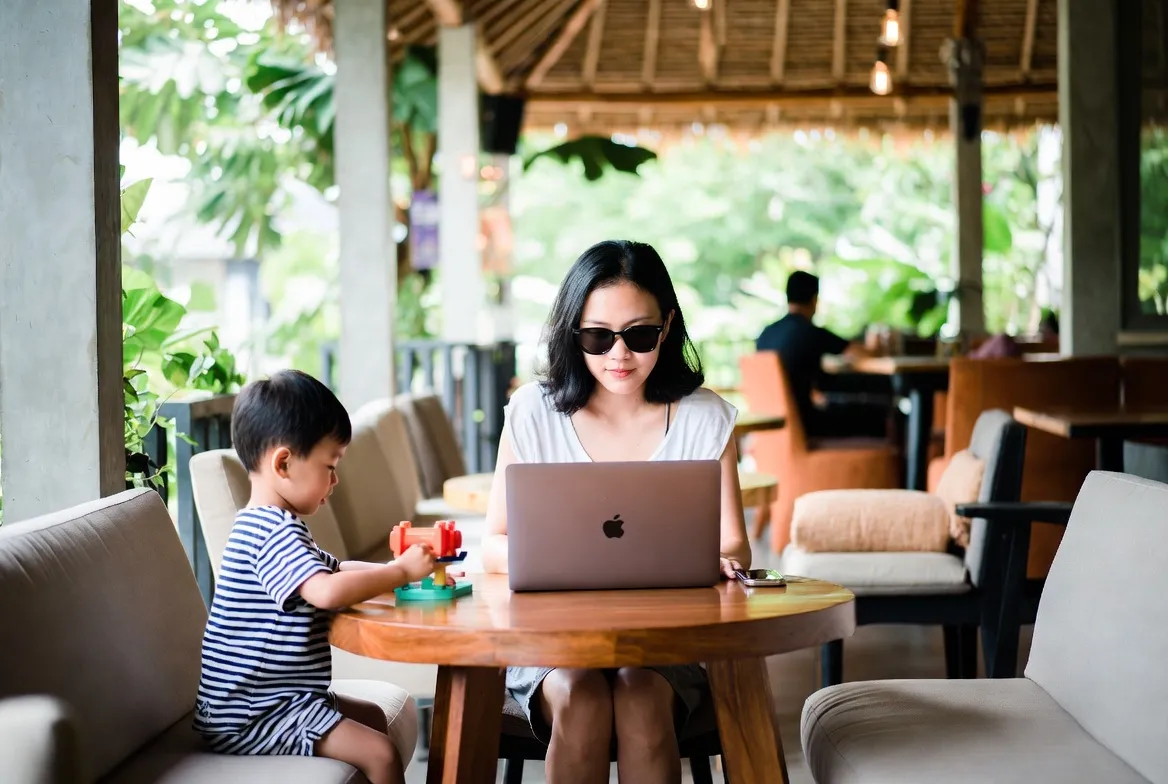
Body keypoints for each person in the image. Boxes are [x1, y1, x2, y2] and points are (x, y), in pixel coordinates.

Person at [481, 240, 751, 784]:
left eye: (640, 335)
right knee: (580, 698)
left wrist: (718, 560)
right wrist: (554, 560)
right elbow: (492, 544)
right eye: (597, 336)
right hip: (552, 644)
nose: (618, 355)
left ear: (668, 326)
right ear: (572, 332)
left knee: (641, 697)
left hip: (668, 641)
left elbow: (735, 546)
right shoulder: (534, 412)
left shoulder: (706, 419)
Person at [192, 369, 438, 784]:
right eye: (330, 465)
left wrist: (400, 576)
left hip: (278, 699)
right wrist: (398, 570)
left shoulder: (267, 524)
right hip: (254, 713)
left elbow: (336, 569)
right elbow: (326, 591)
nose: (335, 480)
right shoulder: (271, 531)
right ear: (284, 463)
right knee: (379, 753)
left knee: (376, 717)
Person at [755, 270, 886, 439]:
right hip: (806, 425)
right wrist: (875, 342)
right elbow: (865, 353)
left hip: (775, 428)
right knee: (882, 414)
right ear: (815, 299)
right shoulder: (810, 332)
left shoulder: (765, 334)